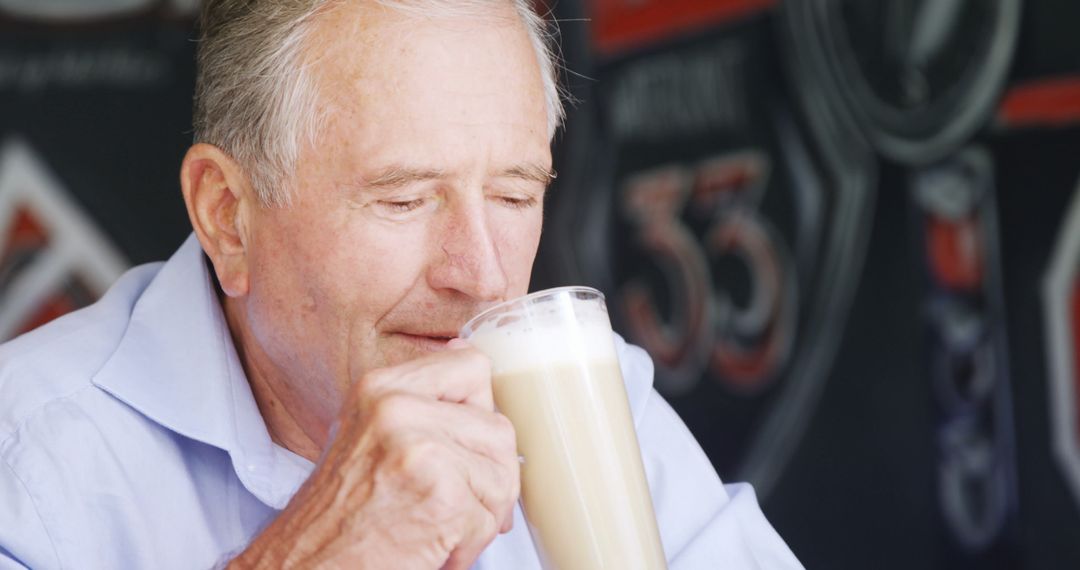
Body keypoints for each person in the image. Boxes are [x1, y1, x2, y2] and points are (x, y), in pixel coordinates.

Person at [0, 1, 804, 568]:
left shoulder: (584, 395)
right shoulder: (29, 461)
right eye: (405, 199)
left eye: (516, 195)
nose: (483, 275)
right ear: (228, 217)